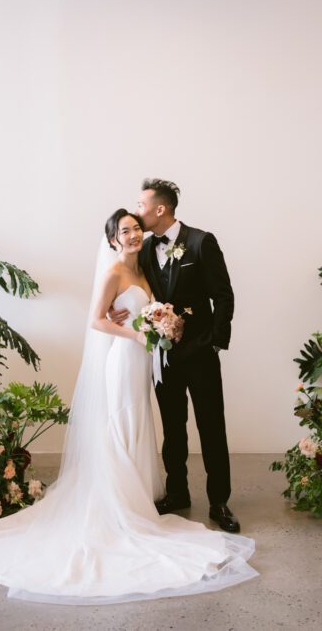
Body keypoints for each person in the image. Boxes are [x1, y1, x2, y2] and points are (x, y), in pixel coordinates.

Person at [0, 210, 256, 604]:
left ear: (159, 210)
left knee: (172, 424)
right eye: (125, 230)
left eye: (136, 226)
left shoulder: (155, 258)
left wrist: (179, 329)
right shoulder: (115, 270)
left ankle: (210, 499)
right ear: (113, 240)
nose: (134, 233)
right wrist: (135, 331)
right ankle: (126, 502)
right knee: (129, 422)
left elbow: (194, 296)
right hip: (127, 358)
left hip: (159, 359)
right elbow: (97, 320)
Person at [110, 179, 239, 533]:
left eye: (141, 204)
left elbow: (223, 296)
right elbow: (128, 287)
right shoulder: (146, 248)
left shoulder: (201, 242)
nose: (137, 210)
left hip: (200, 353)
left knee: (211, 425)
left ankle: (219, 500)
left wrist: (214, 342)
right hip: (162, 357)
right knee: (172, 427)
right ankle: (177, 492)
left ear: (160, 209)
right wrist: (118, 311)